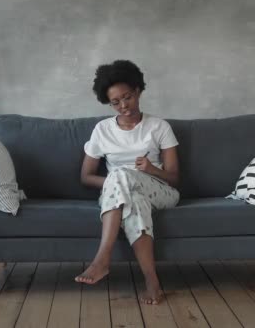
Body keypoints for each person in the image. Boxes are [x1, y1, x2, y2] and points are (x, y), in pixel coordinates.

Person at [75, 60, 180, 305]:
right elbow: (86, 177)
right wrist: (117, 181)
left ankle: (102, 259)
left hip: (162, 192)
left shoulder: (159, 127)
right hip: (120, 194)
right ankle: (152, 280)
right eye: (115, 102)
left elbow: (175, 179)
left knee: (122, 176)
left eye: (128, 97)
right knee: (134, 200)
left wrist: (152, 169)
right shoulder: (102, 130)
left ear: (138, 91)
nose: (124, 106)